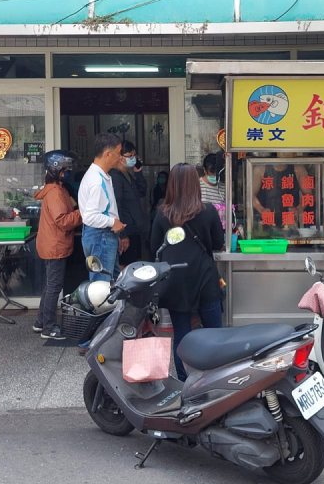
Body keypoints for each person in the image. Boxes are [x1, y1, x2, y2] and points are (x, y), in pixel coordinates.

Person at [150, 163, 225, 380]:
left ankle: (184, 380)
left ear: (172, 184)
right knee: (214, 333)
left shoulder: (162, 214)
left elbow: (154, 246)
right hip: (205, 278)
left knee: (181, 334)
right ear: (195, 184)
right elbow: (218, 243)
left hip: (175, 281)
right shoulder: (208, 211)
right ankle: (216, 377)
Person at [32, 150, 82, 340]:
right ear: (56, 170)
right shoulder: (55, 193)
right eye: (66, 168)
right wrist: (83, 213)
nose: (68, 172)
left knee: (50, 285)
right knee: (54, 287)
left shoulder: (58, 189)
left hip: (52, 243)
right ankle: (49, 328)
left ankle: (40, 322)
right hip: (55, 246)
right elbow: (63, 220)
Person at [79, 133, 126, 281]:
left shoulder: (99, 175)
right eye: (118, 153)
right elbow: (89, 216)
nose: (120, 157)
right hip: (101, 236)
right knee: (102, 287)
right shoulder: (97, 181)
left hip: (103, 235)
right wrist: (113, 223)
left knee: (112, 283)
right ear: (107, 153)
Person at [112, 140, 147, 268]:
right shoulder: (115, 177)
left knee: (133, 266)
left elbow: (142, 191)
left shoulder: (127, 175)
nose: (133, 158)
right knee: (124, 267)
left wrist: (138, 172)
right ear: (119, 157)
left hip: (134, 230)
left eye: (134, 155)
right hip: (127, 231)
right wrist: (122, 234)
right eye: (130, 156)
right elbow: (117, 205)